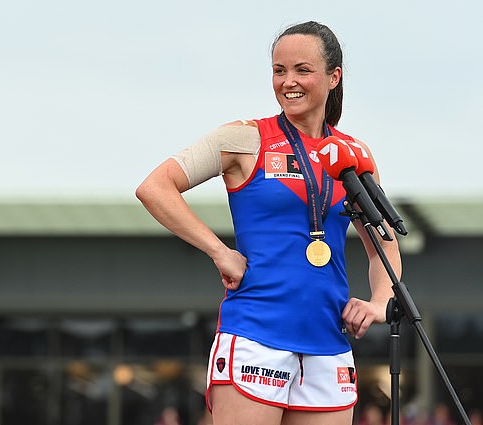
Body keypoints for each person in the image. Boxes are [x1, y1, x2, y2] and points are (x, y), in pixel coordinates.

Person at [136, 21, 402, 425]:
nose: (288, 82)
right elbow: (155, 188)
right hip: (255, 335)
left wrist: (381, 300)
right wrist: (219, 251)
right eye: (279, 71)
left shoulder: (352, 154)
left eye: (302, 70)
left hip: (328, 342)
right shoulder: (244, 138)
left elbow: (382, 241)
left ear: (334, 77)